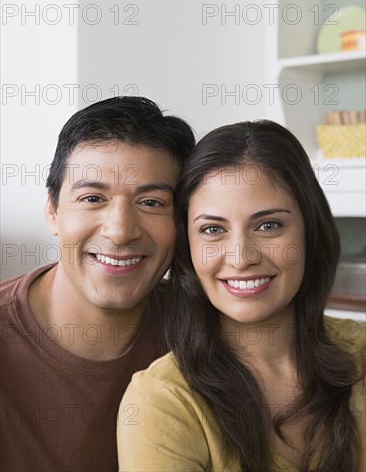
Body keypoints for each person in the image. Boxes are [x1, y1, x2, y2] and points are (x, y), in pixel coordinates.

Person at [117, 120, 365, 472]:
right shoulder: (161, 402)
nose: (241, 257)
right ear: (189, 247)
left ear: (311, 230)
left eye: (268, 225)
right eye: (213, 229)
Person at [0, 96, 195, 472]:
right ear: (53, 211)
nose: (120, 231)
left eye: (152, 203)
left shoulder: (206, 330)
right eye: (93, 198)